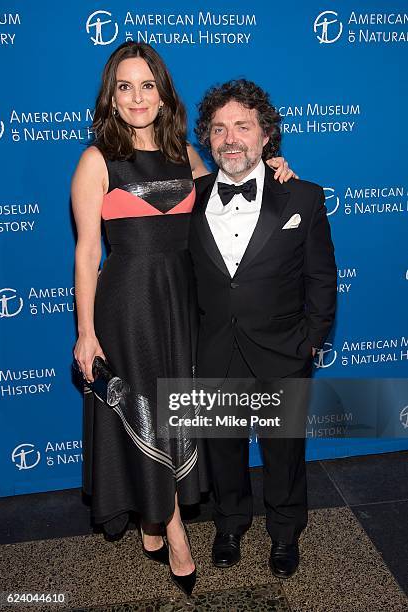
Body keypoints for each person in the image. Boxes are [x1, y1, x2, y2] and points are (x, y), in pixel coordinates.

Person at [72, 42, 295, 596]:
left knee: (179, 414)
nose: (137, 96)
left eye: (147, 84)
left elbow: (238, 185)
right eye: (125, 86)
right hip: (128, 306)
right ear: (111, 96)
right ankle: (174, 535)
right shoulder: (97, 160)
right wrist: (85, 332)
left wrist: (276, 167)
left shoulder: (189, 157)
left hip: (186, 304)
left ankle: (155, 516)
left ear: (163, 91)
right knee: (148, 412)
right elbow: (85, 255)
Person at [190, 79, 337, 579]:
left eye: (243, 126)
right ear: (207, 140)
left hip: (282, 351)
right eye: (219, 129)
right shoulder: (189, 197)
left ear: (266, 135)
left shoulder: (304, 196)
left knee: (284, 453)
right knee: (222, 449)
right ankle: (229, 524)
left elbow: (321, 280)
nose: (231, 138)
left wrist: (309, 343)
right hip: (214, 351)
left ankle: (285, 531)